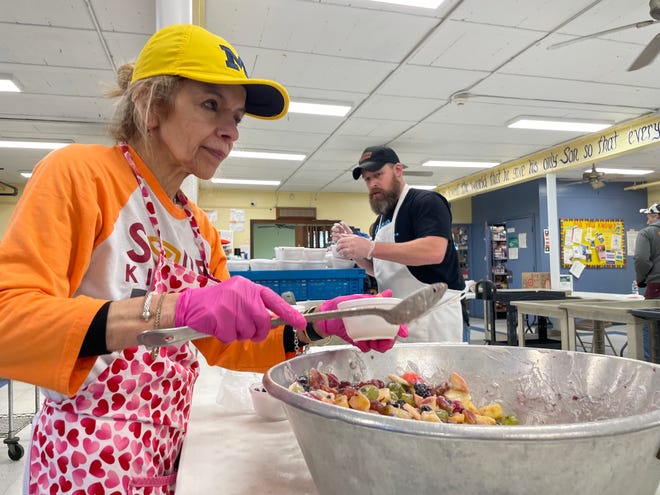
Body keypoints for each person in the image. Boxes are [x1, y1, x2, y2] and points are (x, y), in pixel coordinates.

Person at [0, 25, 405, 494]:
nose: (231, 131)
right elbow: (8, 321)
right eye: (211, 105)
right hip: (85, 455)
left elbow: (227, 342)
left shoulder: (198, 227)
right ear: (150, 104)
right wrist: (171, 309)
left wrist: (314, 324)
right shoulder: (81, 175)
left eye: (236, 116)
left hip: (171, 450)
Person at [332, 145, 465, 343]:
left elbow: (434, 251)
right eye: (367, 179)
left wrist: (370, 247)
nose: (373, 183)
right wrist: (355, 250)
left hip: (432, 319)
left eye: (378, 174)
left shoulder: (426, 202)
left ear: (398, 170)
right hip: (397, 319)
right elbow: (381, 270)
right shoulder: (382, 220)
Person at [634, 202, 660, 360]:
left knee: (650, 328)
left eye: (648, 217)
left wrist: (641, 279)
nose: (647, 221)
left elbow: (641, 259)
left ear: (656, 216)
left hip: (656, 287)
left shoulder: (647, 233)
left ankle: (653, 372)